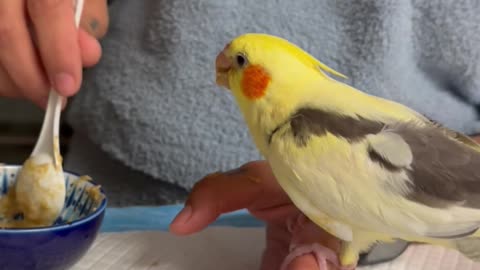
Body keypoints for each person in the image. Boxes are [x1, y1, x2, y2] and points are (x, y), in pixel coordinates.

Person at [1, 0, 480, 269]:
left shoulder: (299, 139)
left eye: (241, 63)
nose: (224, 68)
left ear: (266, 79)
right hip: (126, 207)